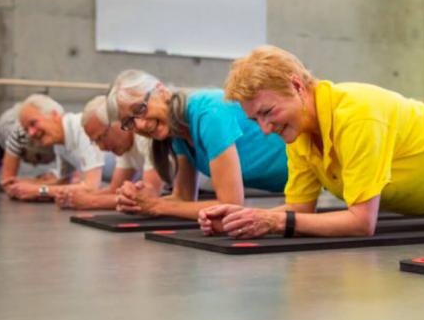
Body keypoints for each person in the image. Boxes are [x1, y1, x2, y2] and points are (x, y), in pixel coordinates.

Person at [197, 45, 424, 239]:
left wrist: (274, 224)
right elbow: (299, 209)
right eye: (255, 120)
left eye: (267, 112)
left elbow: (360, 223)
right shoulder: (300, 138)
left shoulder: (354, 112)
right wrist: (244, 218)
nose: (264, 129)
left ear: (296, 86)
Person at [106, 70, 288, 220]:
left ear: (161, 91)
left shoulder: (209, 113)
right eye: (129, 122)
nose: (140, 125)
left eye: (140, 109)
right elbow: (183, 198)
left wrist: (157, 206)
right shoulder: (177, 131)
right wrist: (139, 202)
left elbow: (231, 205)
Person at [54, 95, 163, 210]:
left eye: (101, 137)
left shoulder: (145, 138)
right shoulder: (125, 146)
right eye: (96, 142)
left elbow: (148, 198)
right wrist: (73, 197)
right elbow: (114, 189)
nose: (101, 148)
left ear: (117, 122)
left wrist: (90, 201)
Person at [5, 94, 108, 201]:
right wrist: (25, 184)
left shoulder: (82, 128)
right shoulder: (59, 143)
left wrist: (38, 190)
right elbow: (64, 181)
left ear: (53, 114)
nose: (31, 133)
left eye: (33, 123)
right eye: (27, 129)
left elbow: (91, 188)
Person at [0, 103, 57, 188]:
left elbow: (64, 182)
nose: (34, 165)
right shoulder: (16, 134)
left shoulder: (62, 144)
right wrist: (39, 187)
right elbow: (8, 183)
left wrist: (40, 187)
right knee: (0, 150)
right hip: (9, 125)